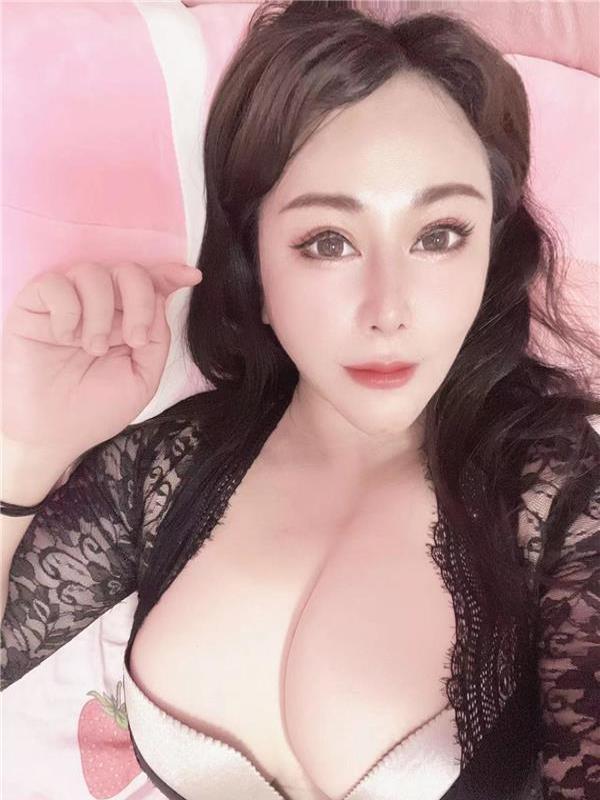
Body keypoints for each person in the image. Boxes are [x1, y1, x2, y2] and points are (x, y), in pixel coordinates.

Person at [1, 2, 599, 799]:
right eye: (328, 242)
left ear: (490, 253)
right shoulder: (166, 467)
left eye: (439, 235)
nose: (389, 309)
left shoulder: (562, 495)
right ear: (256, 269)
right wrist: (23, 448)